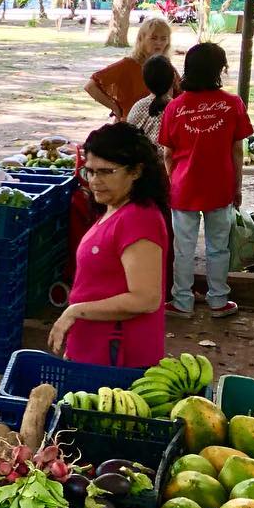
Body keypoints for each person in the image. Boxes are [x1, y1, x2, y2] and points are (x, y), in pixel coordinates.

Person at [49, 123, 170, 367]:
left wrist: (74, 311)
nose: (95, 181)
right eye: (90, 172)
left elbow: (145, 299)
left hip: (117, 357)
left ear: (136, 171)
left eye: (106, 172)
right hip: (94, 348)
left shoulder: (139, 219)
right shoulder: (114, 208)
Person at [157, 42, 252, 319]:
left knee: (183, 248)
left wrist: (172, 181)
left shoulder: (175, 107)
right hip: (220, 186)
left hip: (184, 187)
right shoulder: (232, 103)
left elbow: (167, 154)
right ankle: (218, 301)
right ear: (219, 70)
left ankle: (182, 302)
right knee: (218, 246)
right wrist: (237, 187)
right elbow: (237, 150)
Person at [85, 17, 172, 122]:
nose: (159, 43)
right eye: (153, 38)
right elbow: (90, 86)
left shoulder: (167, 68)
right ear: (141, 38)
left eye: (163, 38)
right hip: (129, 127)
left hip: (157, 128)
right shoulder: (128, 64)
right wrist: (115, 108)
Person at [126, 54, 178, 146]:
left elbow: (129, 142)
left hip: (144, 160)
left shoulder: (137, 108)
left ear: (145, 81)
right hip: (171, 160)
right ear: (173, 77)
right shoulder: (179, 109)